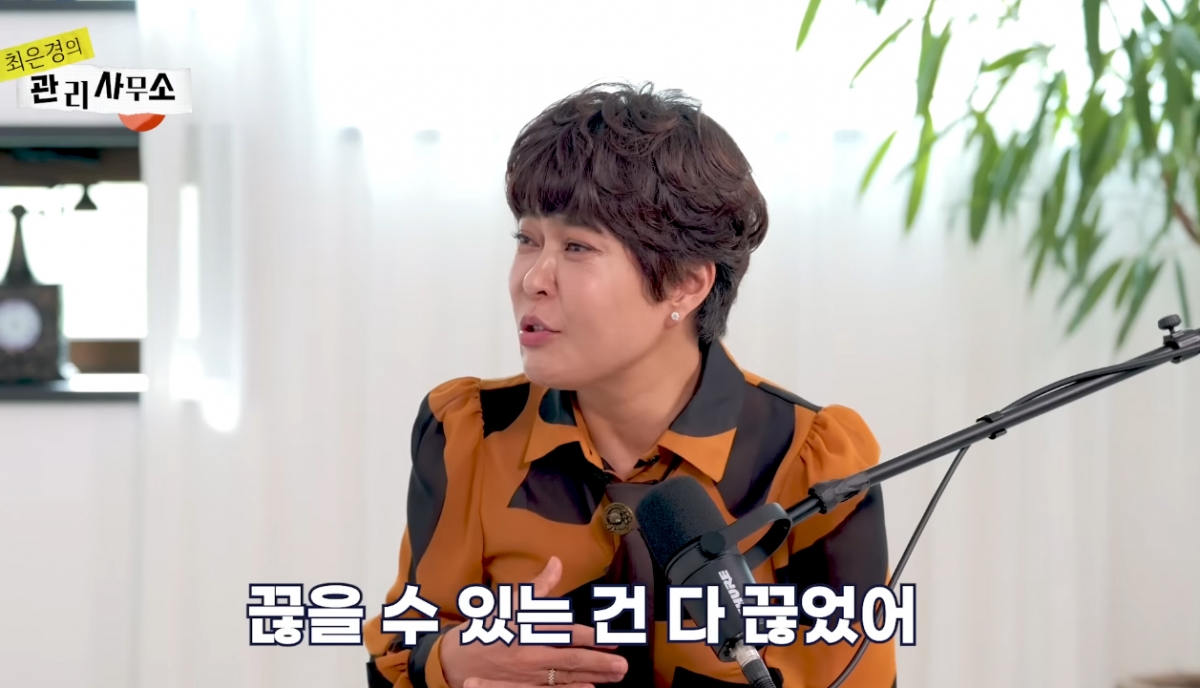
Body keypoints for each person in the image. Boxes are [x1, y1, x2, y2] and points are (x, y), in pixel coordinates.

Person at [365, 82, 896, 688]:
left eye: (577, 247)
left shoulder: (808, 459)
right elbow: (396, 659)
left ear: (685, 284)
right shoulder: (471, 434)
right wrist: (450, 662)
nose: (533, 279)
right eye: (527, 240)